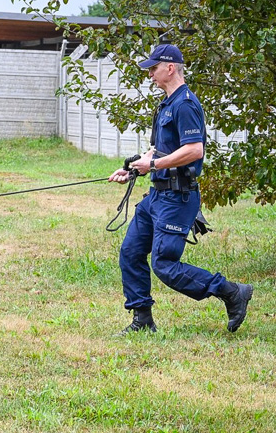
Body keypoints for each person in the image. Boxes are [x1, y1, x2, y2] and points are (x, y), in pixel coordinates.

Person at [108, 44, 253, 334]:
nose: (150, 74)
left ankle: (231, 291)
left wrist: (157, 164)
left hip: (178, 197)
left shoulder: (185, 104)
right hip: (157, 196)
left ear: (170, 68)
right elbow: (156, 151)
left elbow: (194, 150)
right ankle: (142, 320)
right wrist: (134, 167)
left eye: (153, 68)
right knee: (131, 252)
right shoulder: (165, 104)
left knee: (164, 264)